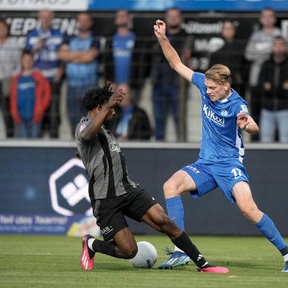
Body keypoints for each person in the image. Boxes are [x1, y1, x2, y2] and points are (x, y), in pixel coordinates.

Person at [153, 19, 288, 272]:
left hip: (229, 164)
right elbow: (176, 63)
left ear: (226, 86)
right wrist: (162, 38)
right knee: (171, 186)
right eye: (207, 87)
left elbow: (253, 126)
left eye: (212, 88)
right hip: (205, 163)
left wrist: (247, 124)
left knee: (248, 208)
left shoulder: (237, 105)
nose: (208, 91)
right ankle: (180, 251)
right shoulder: (204, 84)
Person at [76, 81, 228, 274]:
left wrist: (107, 97)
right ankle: (91, 244)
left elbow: (90, 144)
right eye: (111, 109)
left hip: (128, 189)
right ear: (99, 108)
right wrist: (108, 104)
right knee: (129, 251)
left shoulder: (103, 129)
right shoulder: (83, 126)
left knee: (165, 221)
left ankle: (204, 264)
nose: (114, 112)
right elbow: (87, 134)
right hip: (105, 199)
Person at [148, 7, 192, 141]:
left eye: (176, 16)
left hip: (178, 85)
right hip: (159, 83)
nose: (173, 19)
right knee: (159, 121)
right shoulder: (155, 37)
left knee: (180, 121)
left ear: (181, 19)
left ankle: (183, 151)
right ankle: (158, 154)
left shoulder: (187, 38)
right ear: (165, 19)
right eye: (170, 16)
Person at [25, 9, 64, 139]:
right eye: (43, 17)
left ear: (52, 19)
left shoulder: (58, 34)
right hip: (37, 79)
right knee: (38, 109)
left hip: (53, 78)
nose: (46, 20)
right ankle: (37, 138)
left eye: (48, 17)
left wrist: (61, 69)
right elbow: (25, 58)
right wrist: (36, 48)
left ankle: (54, 138)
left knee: (54, 110)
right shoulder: (32, 35)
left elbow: (64, 56)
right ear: (39, 19)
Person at [59, 12, 100, 136]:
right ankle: (77, 150)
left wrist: (71, 56)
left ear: (90, 22)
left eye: (85, 20)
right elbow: (61, 55)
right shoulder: (69, 38)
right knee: (73, 120)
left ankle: (90, 151)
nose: (82, 23)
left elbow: (89, 57)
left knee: (90, 122)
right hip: (72, 85)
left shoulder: (95, 39)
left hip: (89, 85)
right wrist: (81, 54)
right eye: (80, 20)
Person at [244, 7, 282, 141]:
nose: (267, 19)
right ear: (261, 19)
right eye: (264, 16)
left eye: (270, 16)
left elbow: (279, 53)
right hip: (256, 78)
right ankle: (255, 140)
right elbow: (248, 54)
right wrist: (267, 51)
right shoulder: (256, 35)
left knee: (274, 110)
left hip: (274, 78)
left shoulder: (278, 33)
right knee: (255, 111)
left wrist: (259, 51)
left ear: (274, 19)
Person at [258, 36, 288, 143]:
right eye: (276, 45)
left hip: (286, 109)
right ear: (272, 47)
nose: (278, 48)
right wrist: (280, 89)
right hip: (267, 109)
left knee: (286, 142)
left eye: (281, 45)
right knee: (265, 143)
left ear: (285, 47)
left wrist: (271, 89)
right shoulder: (266, 65)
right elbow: (261, 86)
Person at [104, 9, 145, 105]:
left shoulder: (137, 38)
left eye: (124, 16)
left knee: (131, 112)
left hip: (132, 86)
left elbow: (141, 62)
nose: (122, 18)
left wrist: (134, 84)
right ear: (115, 20)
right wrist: (110, 83)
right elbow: (106, 61)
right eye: (119, 16)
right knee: (114, 115)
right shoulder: (110, 38)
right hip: (114, 86)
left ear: (129, 19)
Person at [9, 50, 51, 138]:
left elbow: (47, 93)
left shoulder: (39, 77)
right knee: (22, 146)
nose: (27, 62)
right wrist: (14, 113)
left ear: (33, 61)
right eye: (25, 60)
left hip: (35, 118)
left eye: (29, 60)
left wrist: (41, 108)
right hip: (20, 118)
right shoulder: (16, 79)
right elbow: (12, 98)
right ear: (21, 61)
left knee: (35, 145)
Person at [209, 20, 248, 98]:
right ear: (222, 31)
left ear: (234, 30)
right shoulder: (216, 47)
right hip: (220, 86)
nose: (228, 31)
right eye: (226, 29)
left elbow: (245, 66)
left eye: (230, 28)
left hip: (236, 85)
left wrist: (240, 77)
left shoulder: (241, 47)